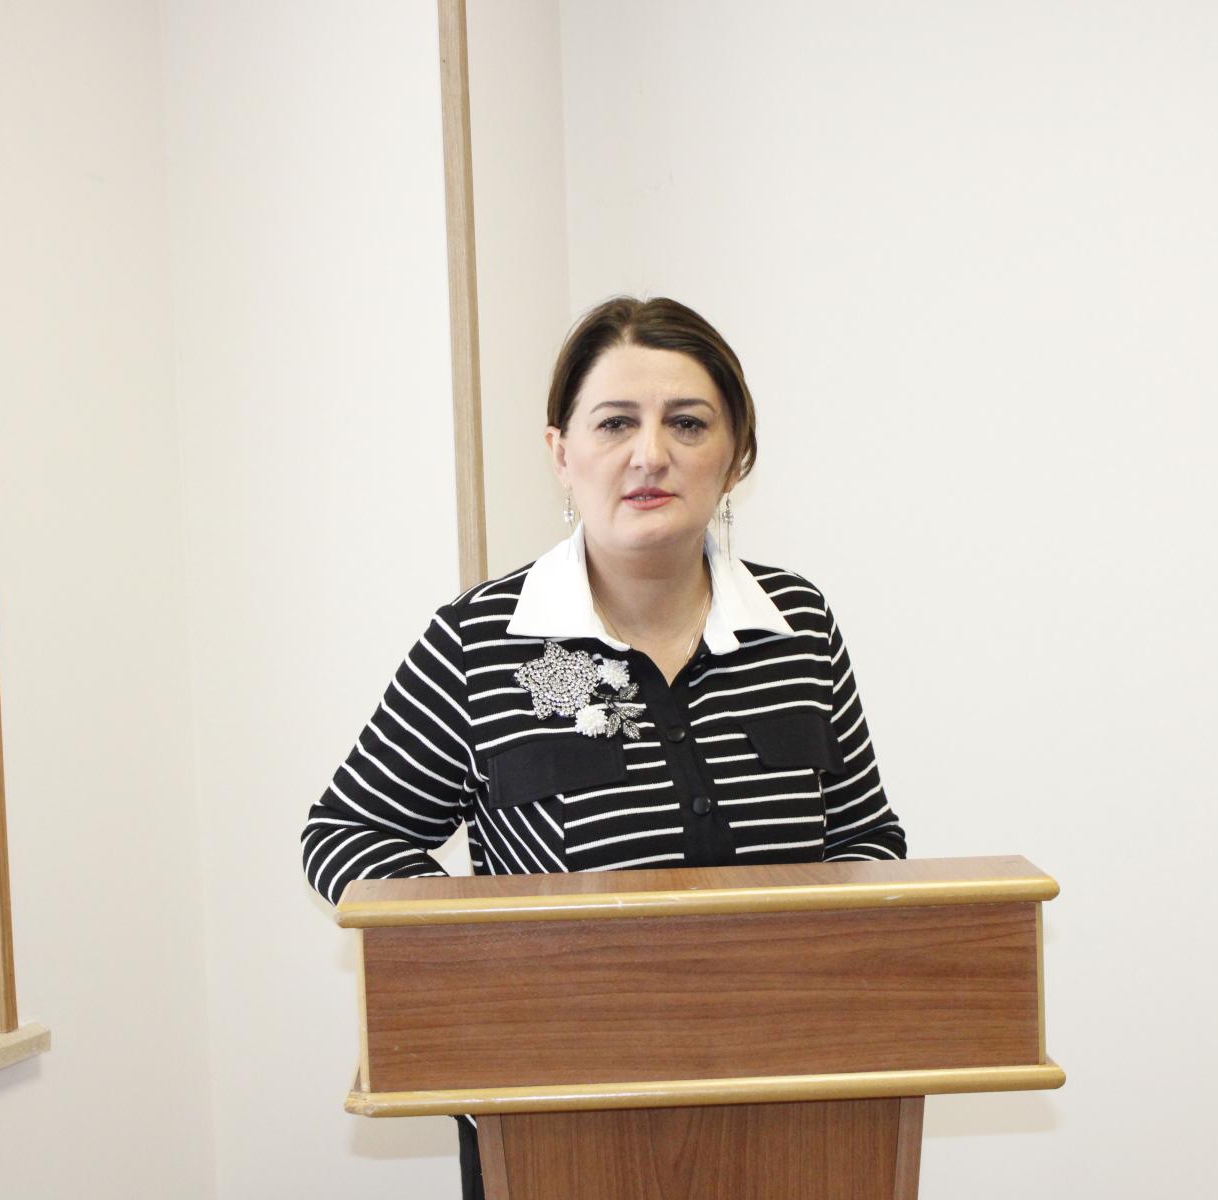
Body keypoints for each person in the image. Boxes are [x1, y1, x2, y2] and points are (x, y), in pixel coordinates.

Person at [299, 296, 907, 1199]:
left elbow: (865, 838)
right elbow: (345, 833)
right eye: (615, 422)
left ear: (736, 454)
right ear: (561, 452)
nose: (649, 453)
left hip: (798, 1108)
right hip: (555, 1124)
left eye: (687, 423)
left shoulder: (798, 627)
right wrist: (477, 949)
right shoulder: (483, 643)